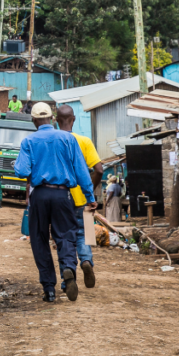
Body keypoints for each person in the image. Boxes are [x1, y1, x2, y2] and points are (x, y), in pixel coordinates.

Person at [14, 102, 96, 303]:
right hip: (63, 195)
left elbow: (21, 171)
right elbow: (82, 171)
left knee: (39, 239)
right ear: (51, 118)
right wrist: (90, 197)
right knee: (66, 235)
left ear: (34, 121)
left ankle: (49, 289)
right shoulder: (68, 139)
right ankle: (68, 269)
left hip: (39, 195)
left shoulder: (29, 141)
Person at [55, 105, 103, 290]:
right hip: (84, 199)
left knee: (64, 237)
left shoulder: (54, 141)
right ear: (73, 119)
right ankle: (86, 261)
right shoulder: (84, 141)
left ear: (56, 120)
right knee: (85, 234)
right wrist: (89, 190)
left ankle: (67, 275)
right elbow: (99, 170)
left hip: (60, 198)